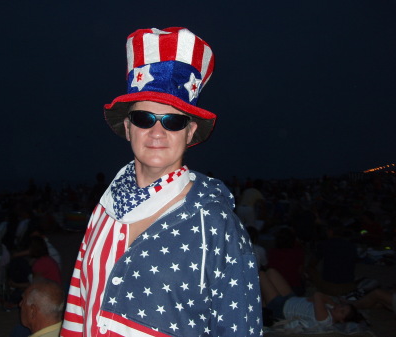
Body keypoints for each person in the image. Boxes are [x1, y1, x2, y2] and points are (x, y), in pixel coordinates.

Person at [61, 27, 263, 336]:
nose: (157, 133)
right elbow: (78, 306)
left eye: (173, 121)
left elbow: (240, 328)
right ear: (128, 128)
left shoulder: (215, 221)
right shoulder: (104, 209)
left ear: (190, 132)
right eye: (144, 119)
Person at [260, 268, 358, 331]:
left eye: (342, 312)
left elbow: (318, 295)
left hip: (281, 308)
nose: (338, 308)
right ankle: (263, 302)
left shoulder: (325, 319)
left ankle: (261, 304)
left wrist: (327, 302)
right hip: (292, 298)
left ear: (341, 320)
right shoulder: (330, 309)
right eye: (341, 306)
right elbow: (318, 297)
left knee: (261, 275)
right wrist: (320, 300)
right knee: (271, 272)